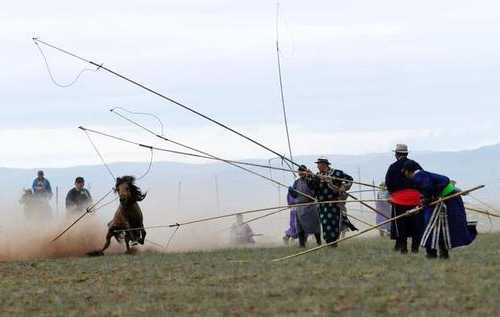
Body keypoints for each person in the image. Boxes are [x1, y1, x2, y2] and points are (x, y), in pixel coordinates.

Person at [402, 160, 477, 259]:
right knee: (438, 227)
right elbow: (428, 192)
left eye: (404, 172)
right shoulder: (421, 176)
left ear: (407, 171)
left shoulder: (419, 176)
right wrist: (423, 203)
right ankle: (439, 253)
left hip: (447, 200)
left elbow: (428, 189)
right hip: (444, 200)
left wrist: (425, 202)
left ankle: (434, 253)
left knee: (432, 226)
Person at [306, 157, 357, 247]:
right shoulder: (317, 175)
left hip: (334, 204)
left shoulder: (337, 173)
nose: (317, 166)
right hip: (322, 205)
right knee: (325, 223)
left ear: (324, 164)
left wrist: (343, 187)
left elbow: (349, 179)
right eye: (317, 164)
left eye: (319, 164)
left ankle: (333, 243)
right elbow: (312, 187)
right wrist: (310, 176)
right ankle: (329, 243)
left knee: (333, 223)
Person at [384, 144, 424, 254]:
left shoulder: (393, 167)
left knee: (401, 225)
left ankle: (403, 249)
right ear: (406, 153)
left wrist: (391, 195)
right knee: (416, 225)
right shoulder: (415, 165)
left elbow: (389, 184)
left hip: (399, 200)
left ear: (397, 154)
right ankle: (415, 249)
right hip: (416, 198)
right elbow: (423, 179)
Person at [288, 165, 321, 247]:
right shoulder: (296, 182)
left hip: (311, 206)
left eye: (303, 171)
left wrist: (312, 176)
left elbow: (316, 187)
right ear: (298, 172)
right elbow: (295, 195)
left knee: (315, 225)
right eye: (300, 171)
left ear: (306, 171)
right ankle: (302, 244)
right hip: (300, 206)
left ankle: (319, 242)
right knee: (300, 227)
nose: (301, 173)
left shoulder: (310, 180)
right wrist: (291, 191)